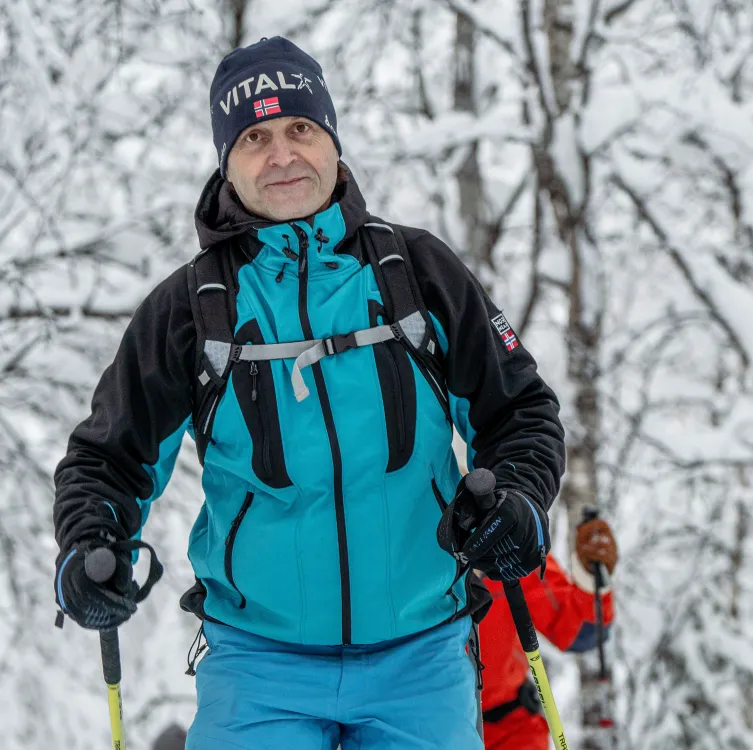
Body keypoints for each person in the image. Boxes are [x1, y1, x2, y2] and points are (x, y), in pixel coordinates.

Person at [52, 35, 564, 750]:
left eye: (300, 128)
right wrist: (89, 546)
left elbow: (519, 412)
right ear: (227, 160)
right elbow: (108, 459)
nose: (282, 154)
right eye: (255, 137)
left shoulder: (415, 274)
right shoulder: (191, 309)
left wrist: (519, 499)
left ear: (331, 140)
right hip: (259, 669)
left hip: (422, 659)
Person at [479, 516, 618, 750]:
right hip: (420, 723)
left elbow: (579, 632)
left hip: (509, 728)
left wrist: (590, 578)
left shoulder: (506, 534)